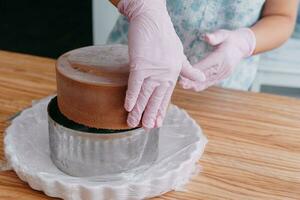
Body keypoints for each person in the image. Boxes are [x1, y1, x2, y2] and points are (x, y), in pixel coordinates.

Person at [107, 0, 299, 129]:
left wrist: (244, 43)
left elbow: (281, 16)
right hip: (138, 67)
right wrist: (142, 7)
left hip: (222, 90)